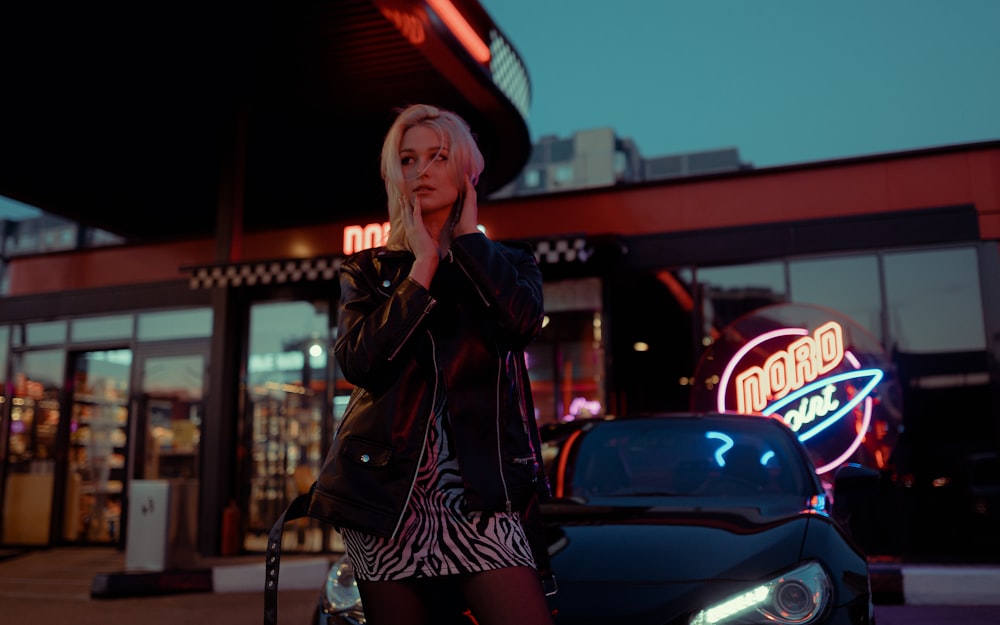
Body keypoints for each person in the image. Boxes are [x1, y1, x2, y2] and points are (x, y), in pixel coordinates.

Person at [327, 103, 554, 625]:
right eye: (409, 159)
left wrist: (469, 243)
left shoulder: (509, 265)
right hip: (386, 499)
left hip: (480, 496)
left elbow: (522, 325)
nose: (422, 171)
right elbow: (359, 363)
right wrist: (422, 269)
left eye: (438, 156)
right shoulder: (369, 271)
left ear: (466, 171)